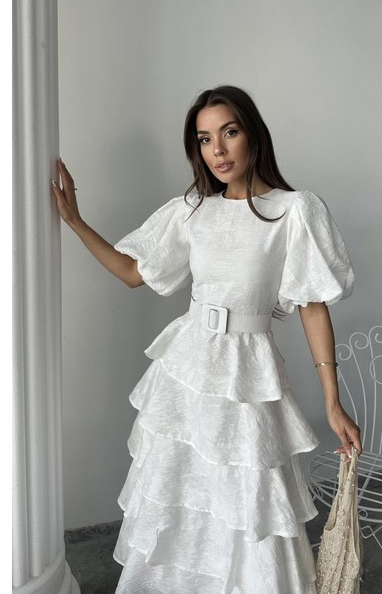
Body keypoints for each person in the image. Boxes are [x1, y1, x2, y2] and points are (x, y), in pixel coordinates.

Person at [52, 85, 362, 594]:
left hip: (248, 375)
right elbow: (133, 273)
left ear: (253, 135)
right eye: (204, 139)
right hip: (188, 370)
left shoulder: (295, 210)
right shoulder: (193, 209)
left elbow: (311, 305)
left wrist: (333, 401)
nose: (217, 150)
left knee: (248, 495)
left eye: (229, 132)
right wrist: (76, 222)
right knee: (183, 491)